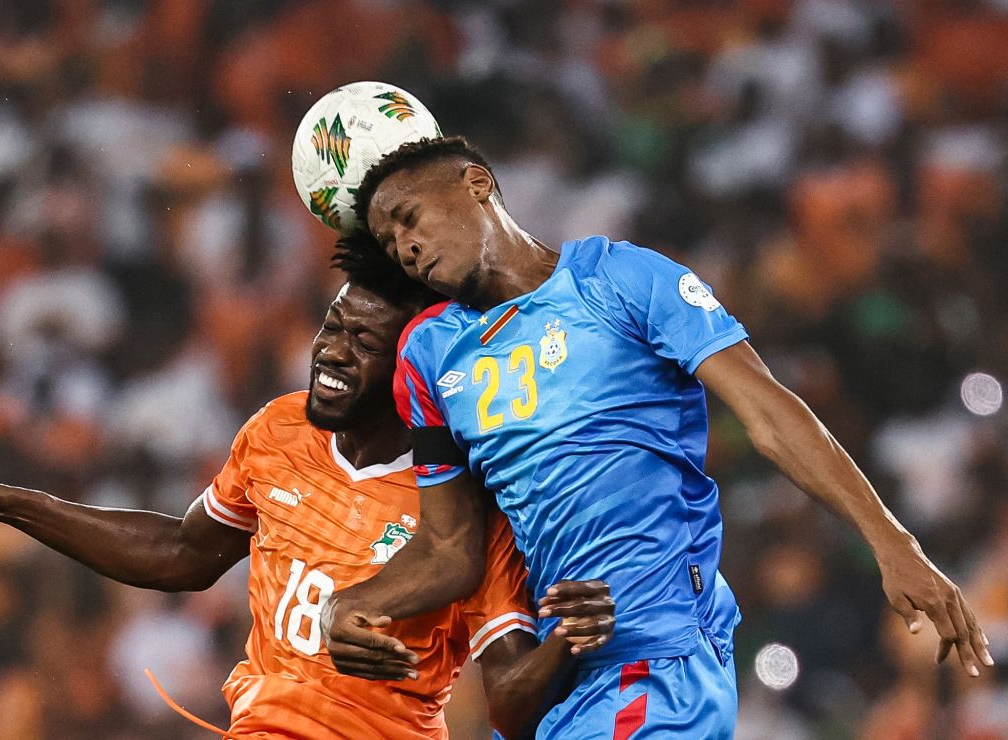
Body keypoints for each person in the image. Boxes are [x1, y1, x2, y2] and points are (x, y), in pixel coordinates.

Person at [319, 136, 994, 738]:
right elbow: (448, 547)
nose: (405, 248)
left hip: (658, 658)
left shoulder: (621, 280)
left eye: (409, 220)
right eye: (390, 243)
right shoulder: (432, 355)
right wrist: (354, 605)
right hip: (560, 681)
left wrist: (891, 541)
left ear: (476, 183)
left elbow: (768, 413)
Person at [0, 244, 617, 740]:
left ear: (417, 375)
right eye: (332, 325)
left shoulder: (465, 514)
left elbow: (511, 702)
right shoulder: (279, 430)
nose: (330, 352)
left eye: (363, 343)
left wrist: (569, 645)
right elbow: (186, 554)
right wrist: (10, 501)